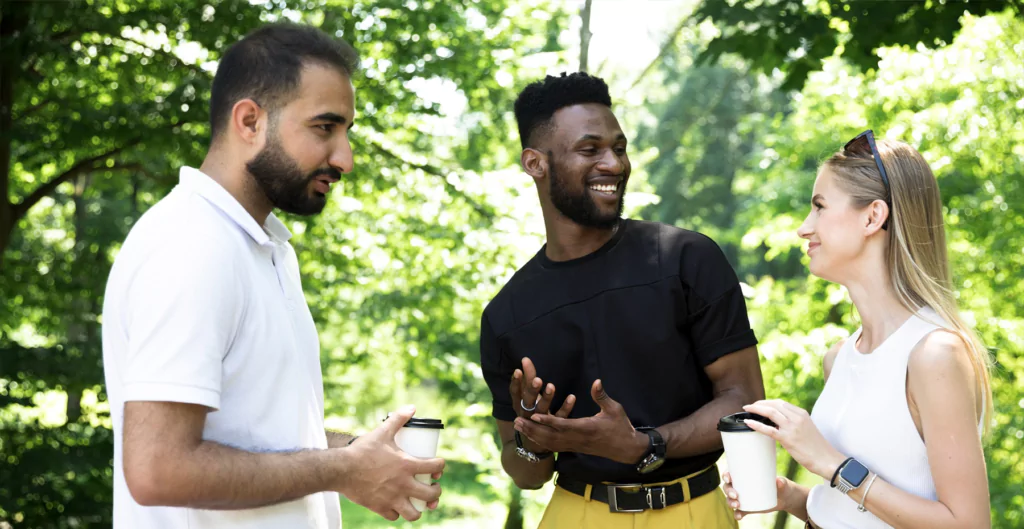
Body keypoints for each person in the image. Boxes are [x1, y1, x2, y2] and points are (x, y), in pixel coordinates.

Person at [101, 22, 443, 529]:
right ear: (249, 122)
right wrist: (342, 469)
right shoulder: (192, 245)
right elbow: (158, 470)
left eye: (346, 131)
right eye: (325, 128)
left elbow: (256, 434)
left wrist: (360, 453)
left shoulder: (265, 249)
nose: (345, 158)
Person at [478, 72, 766, 529]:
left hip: (695, 512)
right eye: (590, 149)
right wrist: (532, 436)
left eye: (619, 147)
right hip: (575, 515)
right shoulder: (506, 315)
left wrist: (645, 443)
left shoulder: (687, 258)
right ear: (536, 163)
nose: (614, 163)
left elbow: (744, 400)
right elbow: (526, 474)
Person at [723, 131, 993, 528]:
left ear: (872, 217)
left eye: (819, 207)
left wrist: (832, 464)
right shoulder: (840, 357)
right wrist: (792, 497)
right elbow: (857, 511)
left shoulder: (934, 353)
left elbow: (969, 524)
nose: (803, 228)